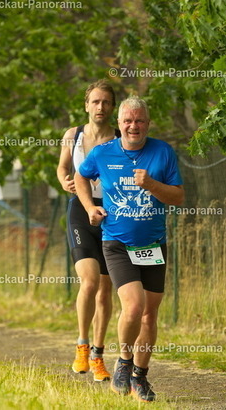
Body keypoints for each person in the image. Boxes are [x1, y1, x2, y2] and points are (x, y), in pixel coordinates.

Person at [75, 96, 184, 402]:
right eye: (127, 121)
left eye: (139, 121)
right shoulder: (103, 153)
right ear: (119, 124)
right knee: (134, 307)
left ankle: (140, 376)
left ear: (148, 123)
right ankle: (124, 362)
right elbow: (81, 176)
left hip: (153, 244)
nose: (133, 126)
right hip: (117, 243)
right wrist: (89, 207)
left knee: (149, 315)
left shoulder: (163, 152)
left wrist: (151, 185)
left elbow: (178, 197)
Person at [57, 79, 119, 381]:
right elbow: (62, 167)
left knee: (105, 289)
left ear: (112, 107)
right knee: (90, 281)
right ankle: (81, 345)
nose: (100, 107)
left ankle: (97, 355)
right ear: (86, 106)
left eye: (106, 102)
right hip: (81, 211)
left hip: (112, 214)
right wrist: (64, 181)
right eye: (95, 101)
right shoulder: (73, 135)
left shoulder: (120, 138)